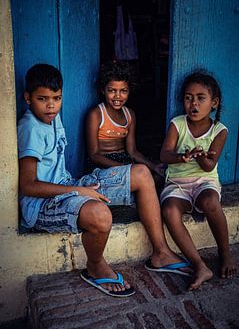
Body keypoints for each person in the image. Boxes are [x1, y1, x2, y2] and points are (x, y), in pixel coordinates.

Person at [18, 63, 192, 298]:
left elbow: (131, 154)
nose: (51, 105)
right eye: (42, 99)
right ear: (28, 98)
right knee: (101, 215)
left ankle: (161, 253)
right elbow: (28, 185)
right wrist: (78, 190)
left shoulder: (51, 116)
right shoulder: (30, 127)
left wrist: (78, 188)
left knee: (141, 173)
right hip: (42, 205)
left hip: (69, 185)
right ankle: (95, 266)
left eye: (56, 98)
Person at [159, 70, 237, 290]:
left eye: (201, 98)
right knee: (169, 211)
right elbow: (164, 155)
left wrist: (202, 156)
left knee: (211, 202)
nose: (193, 103)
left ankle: (225, 254)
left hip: (204, 181)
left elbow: (210, 166)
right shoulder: (177, 124)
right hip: (177, 183)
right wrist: (181, 157)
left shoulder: (220, 131)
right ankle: (200, 265)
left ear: (214, 103)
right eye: (188, 97)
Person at [85, 60, 165, 178]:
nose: (118, 96)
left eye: (123, 91)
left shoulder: (129, 114)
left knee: (156, 176)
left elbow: (132, 151)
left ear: (129, 91)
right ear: (103, 90)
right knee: (141, 175)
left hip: (124, 160)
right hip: (103, 165)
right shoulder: (96, 114)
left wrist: (154, 166)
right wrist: (123, 167)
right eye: (112, 90)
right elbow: (94, 155)